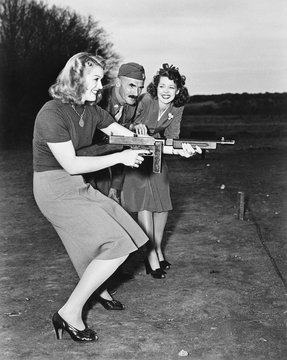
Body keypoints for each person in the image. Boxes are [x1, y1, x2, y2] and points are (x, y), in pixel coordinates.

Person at [32, 52, 150, 342]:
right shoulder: (52, 113)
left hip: (77, 184)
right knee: (118, 245)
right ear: (76, 79)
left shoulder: (93, 111)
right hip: (54, 188)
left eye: (101, 79)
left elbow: (129, 138)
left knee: (126, 229)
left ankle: (98, 289)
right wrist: (121, 158)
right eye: (95, 79)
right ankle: (69, 312)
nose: (101, 85)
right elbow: (71, 164)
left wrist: (174, 148)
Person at [121, 63, 202, 279]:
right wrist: (134, 128)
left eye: (171, 88)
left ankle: (157, 248)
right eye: (162, 86)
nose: (165, 92)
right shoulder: (146, 100)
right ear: (155, 87)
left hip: (157, 153)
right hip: (135, 155)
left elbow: (172, 138)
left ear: (178, 91)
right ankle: (150, 256)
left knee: (163, 203)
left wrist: (184, 151)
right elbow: (124, 122)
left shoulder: (176, 108)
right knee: (145, 203)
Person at [83, 62, 146, 203]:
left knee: (107, 203)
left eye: (140, 87)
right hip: (83, 160)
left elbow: (122, 146)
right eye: (131, 85)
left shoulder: (131, 106)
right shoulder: (97, 98)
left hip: (106, 160)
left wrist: (115, 186)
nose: (136, 93)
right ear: (118, 82)